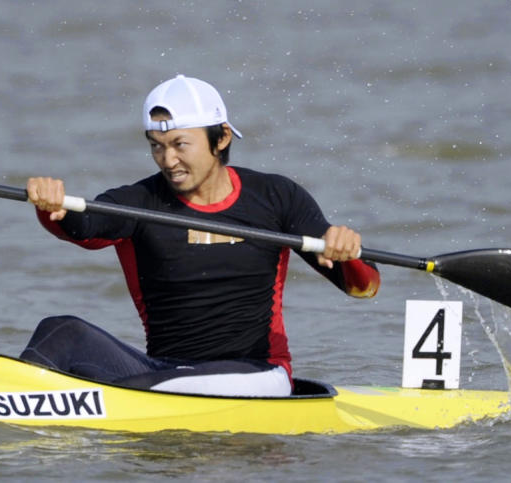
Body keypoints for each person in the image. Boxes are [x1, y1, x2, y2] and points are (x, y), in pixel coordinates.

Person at [22, 75, 380, 397]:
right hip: (165, 370)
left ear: (221, 137)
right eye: (156, 145)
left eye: (180, 144)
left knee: (142, 390)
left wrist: (349, 254)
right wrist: (51, 205)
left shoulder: (275, 197)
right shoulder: (141, 201)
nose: (167, 159)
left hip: (258, 373)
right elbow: (81, 229)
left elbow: (363, 286)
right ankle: (4, 399)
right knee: (60, 331)